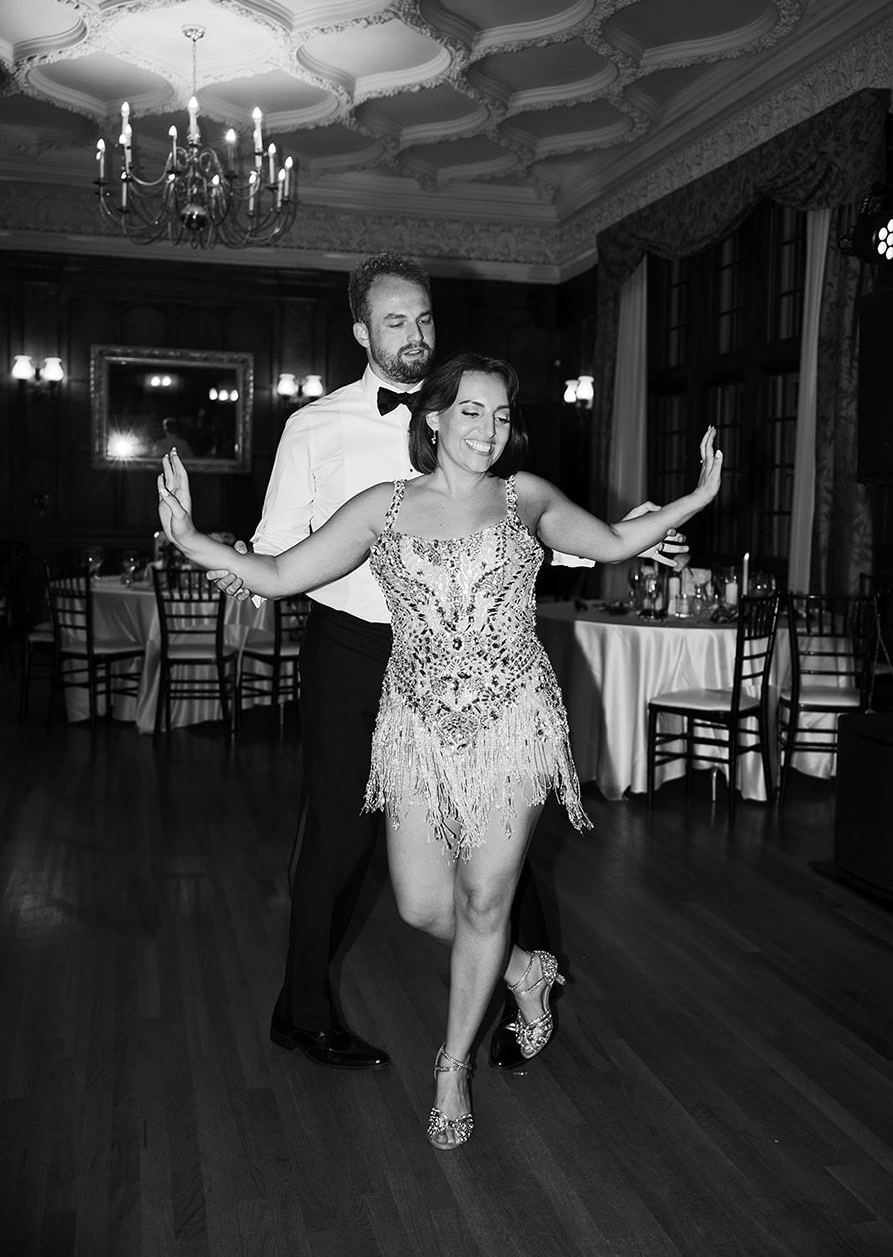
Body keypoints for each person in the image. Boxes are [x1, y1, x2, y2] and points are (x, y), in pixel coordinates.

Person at [158, 350, 723, 1149]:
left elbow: (606, 543)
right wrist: (189, 538)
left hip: (513, 722)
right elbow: (279, 573)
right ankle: (524, 970)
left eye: (501, 415)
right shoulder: (382, 508)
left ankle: (451, 1066)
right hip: (416, 728)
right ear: (434, 418)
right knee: (422, 904)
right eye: (471, 412)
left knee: (485, 899)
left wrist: (694, 498)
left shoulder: (523, 497)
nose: (488, 430)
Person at [208, 253, 688, 1074]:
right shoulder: (314, 426)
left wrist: (622, 539)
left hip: (476, 657)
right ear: (360, 331)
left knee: (495, 839)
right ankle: (304, 1010)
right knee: (336, 835)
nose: (414, 334)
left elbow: (518, 527)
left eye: (424, 318)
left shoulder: (471, 410)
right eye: (395, 321)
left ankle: (512, 989)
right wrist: (242, 565)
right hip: (354, 646)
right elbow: (280, 543)